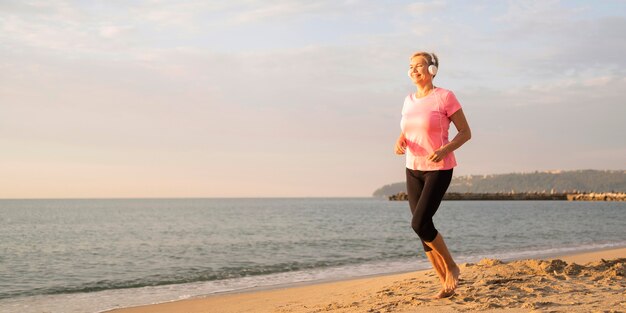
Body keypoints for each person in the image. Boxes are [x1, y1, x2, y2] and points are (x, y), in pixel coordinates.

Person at [395, 51, 472, 299]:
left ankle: (451, 266)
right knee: (422, 229)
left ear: (432, 70)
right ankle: (445, 283)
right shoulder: (408, 100)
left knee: (419, 223)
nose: (414, 70)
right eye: (411, 66)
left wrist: (444, 149)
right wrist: (400, 140)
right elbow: (407, 130)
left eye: (419, 66)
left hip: (438, 169)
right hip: (412, 168)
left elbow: (465, 132)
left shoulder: (445, 97)